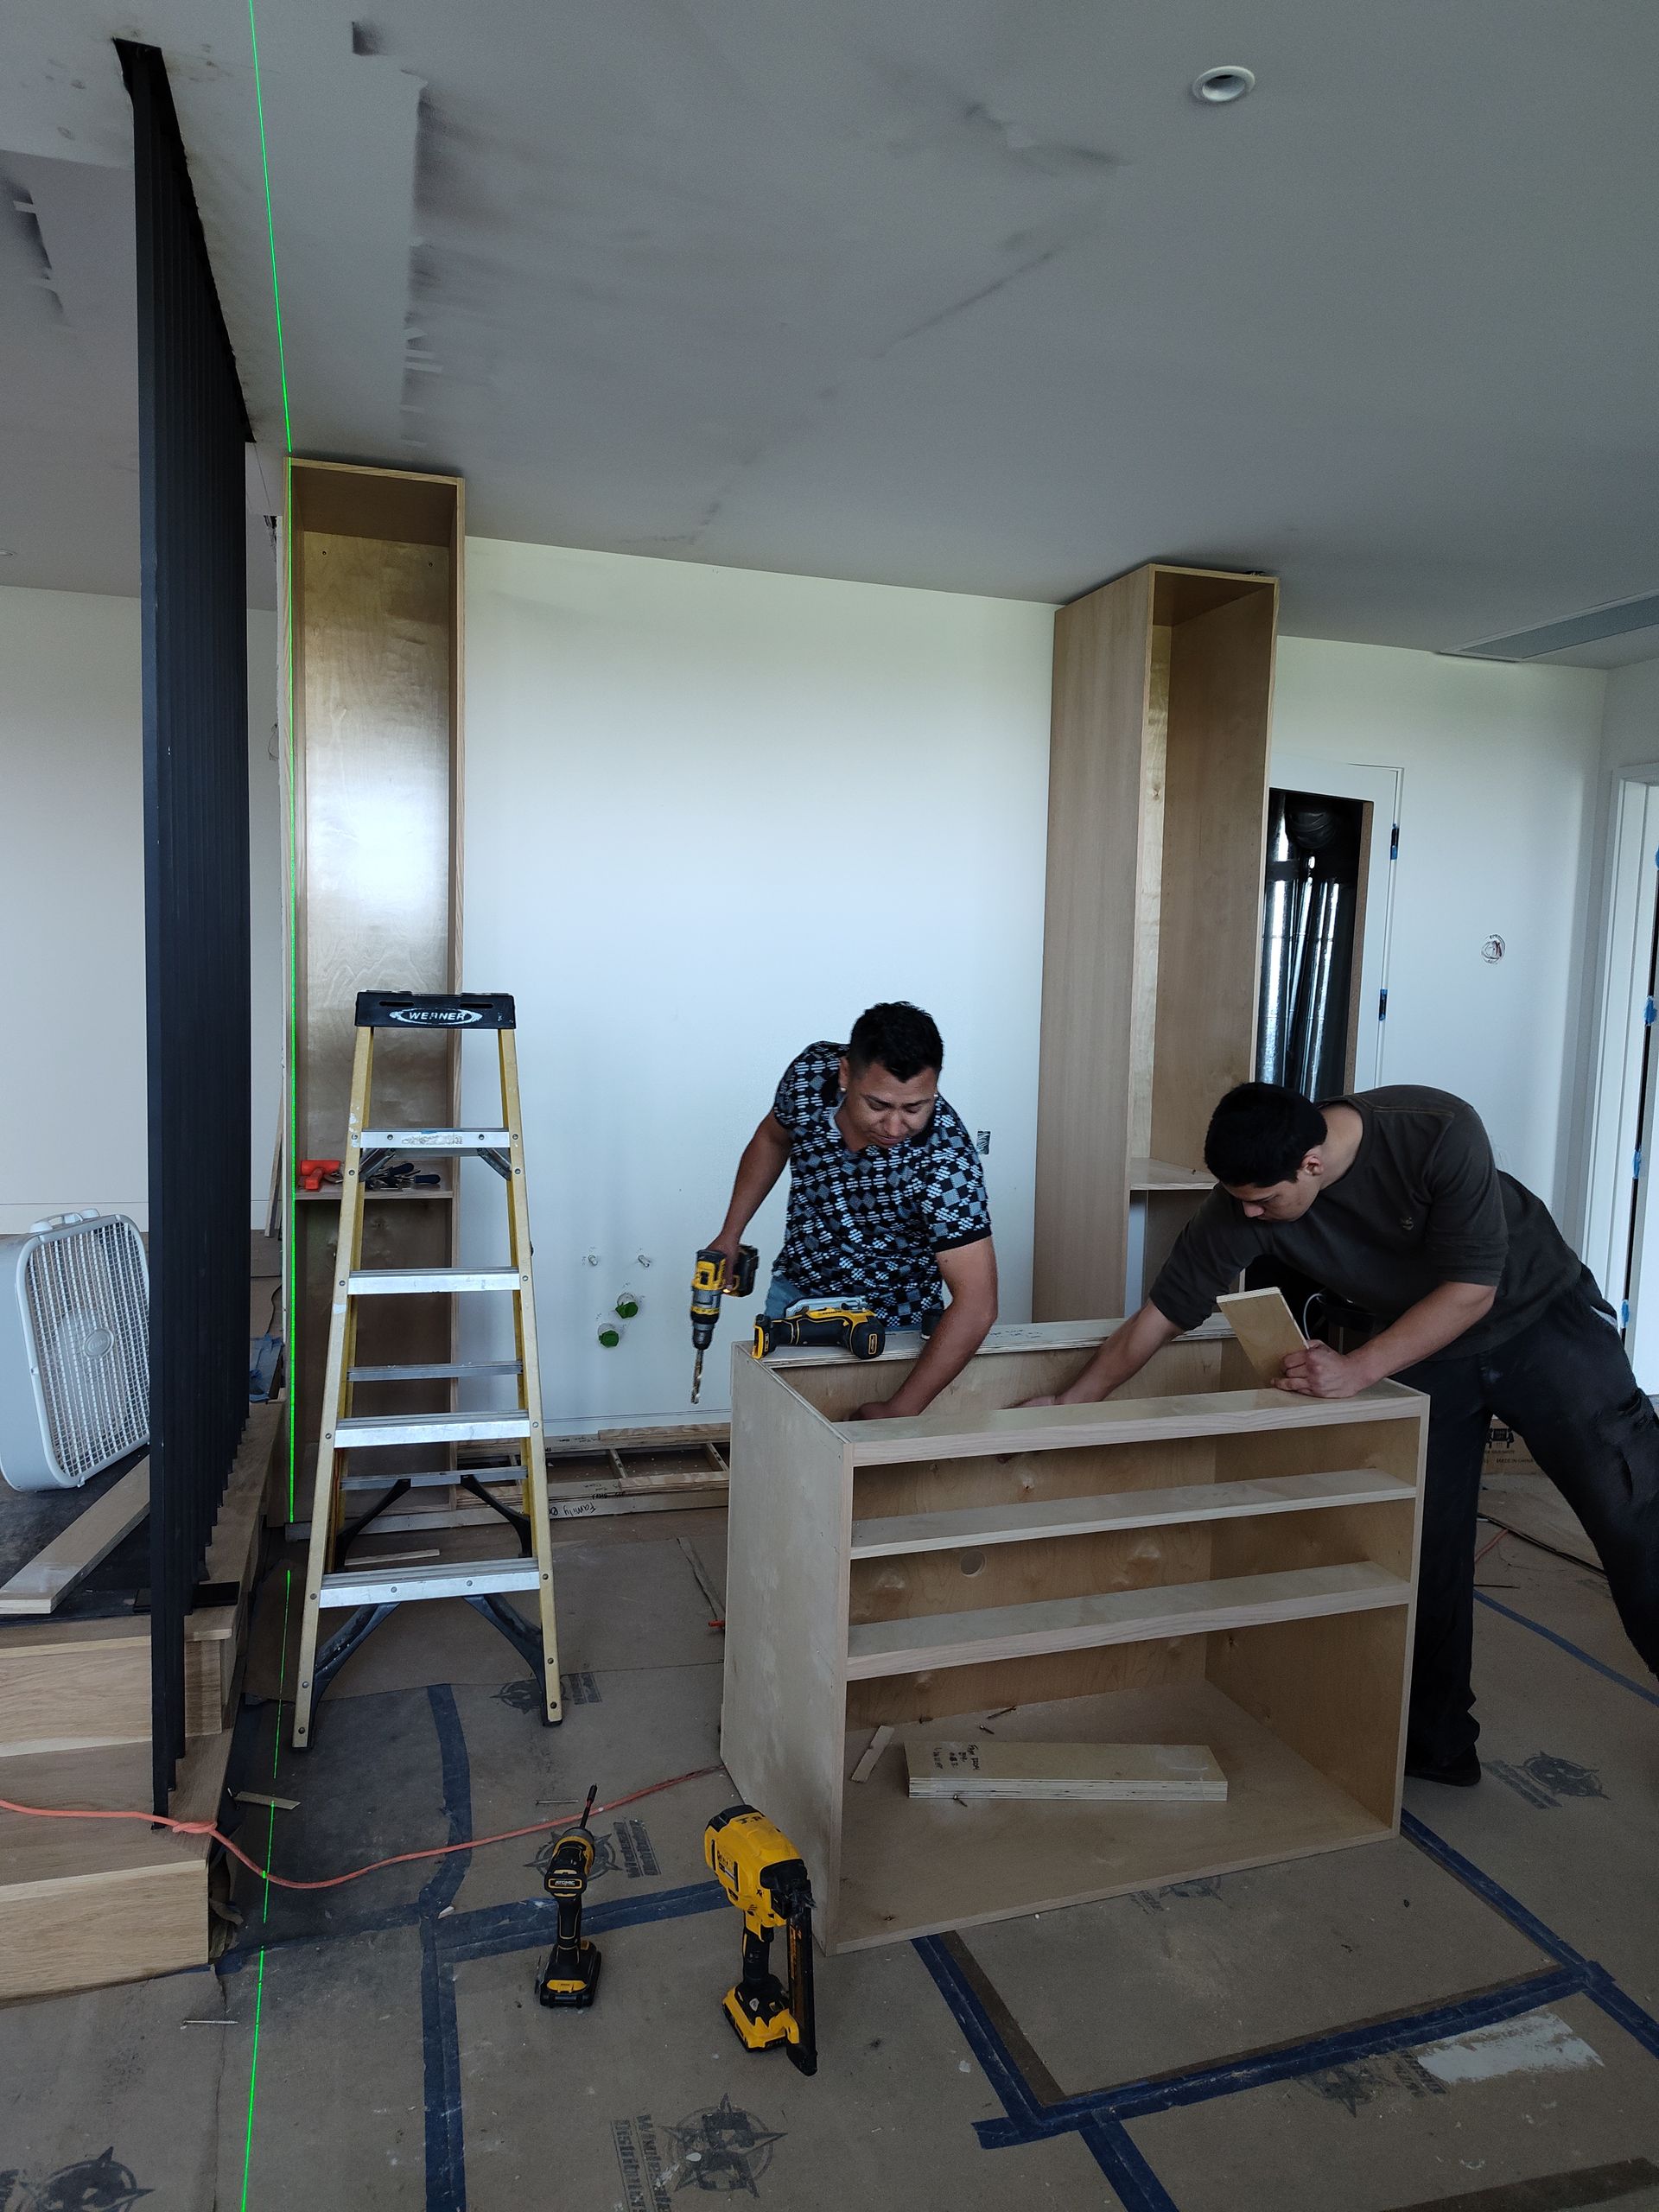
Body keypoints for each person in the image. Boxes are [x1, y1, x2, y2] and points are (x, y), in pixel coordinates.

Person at [1029, 1082, 1659, 1786]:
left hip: (1539, 1316)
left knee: (1633, 1511)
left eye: (1263, 1200)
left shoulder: (1436, 1130)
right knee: (1421, 1542)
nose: (1249, 1214)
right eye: (1237, 1199)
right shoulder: (1246, 1199)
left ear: (1312, 1163)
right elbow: (1162, 1313)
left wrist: (1356, 1370)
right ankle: (1436, 1743)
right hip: (1427, 1345)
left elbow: (1472, 1290)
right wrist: (1070, 1400)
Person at [706, 1001, 998, 1421]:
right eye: (878, 1105)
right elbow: (773, 1138)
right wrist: (730, 1234)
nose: (896, 1127)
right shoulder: (810, 1075)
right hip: (795, 1301)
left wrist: (900, 1408)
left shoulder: (946, 1161)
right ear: (845, 1075)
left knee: (868, 1478)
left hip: (893, 1327)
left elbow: (978, 1304)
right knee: (776, 1443)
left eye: (915, 1108)